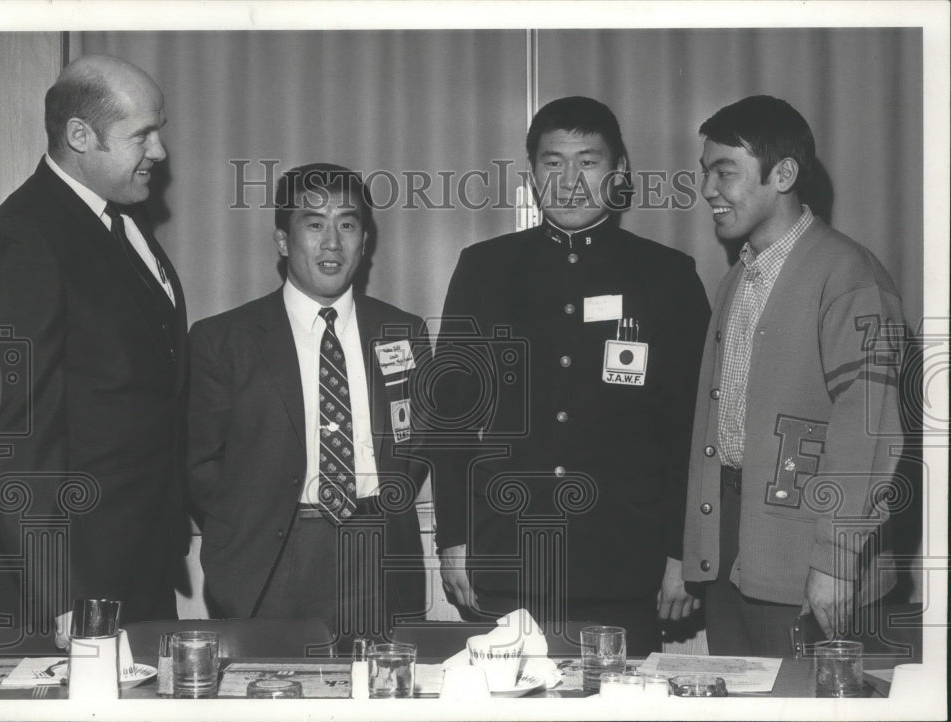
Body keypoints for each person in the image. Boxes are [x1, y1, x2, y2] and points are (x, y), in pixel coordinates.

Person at [431, 96, 710, 654]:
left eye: (588, 160)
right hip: (508, 553)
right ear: (532, 173)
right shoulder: (484, 269)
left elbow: (693, 429)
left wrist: (684, 553)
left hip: (625, 559)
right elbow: (451, 416)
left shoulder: (668, 277)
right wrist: (454, 538)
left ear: (619, 171)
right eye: (553, 162)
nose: (571, 179)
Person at [0, 55, 188, 655]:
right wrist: (64, 608)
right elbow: (13, 445)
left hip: (139, 568)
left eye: (159, 129)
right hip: (78, 591)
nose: (161, 151)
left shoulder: (121, 220)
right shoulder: (24, 239)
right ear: (79, 136)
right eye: (142, 134)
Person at [682, 95, 906, 656]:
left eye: (725, 171)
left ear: (783, 174)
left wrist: (835, 560)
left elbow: (869, 431)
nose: (709, 188)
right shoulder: (738, 279)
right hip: (735, 547)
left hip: (810, 558)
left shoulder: (850, 276)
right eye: (706, 171)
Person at [187, 163, 429, 645]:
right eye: (314, 224)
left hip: (376, 551)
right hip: (270, 558)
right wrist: (253, 522)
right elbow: (200, 465)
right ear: (282, 241)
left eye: (348, 223)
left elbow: (417, 443)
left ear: (366, 239)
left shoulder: (403, 331)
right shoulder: (224, 340)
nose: (332, 242)